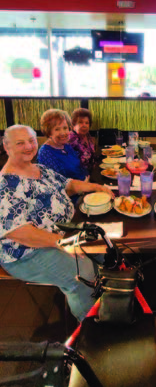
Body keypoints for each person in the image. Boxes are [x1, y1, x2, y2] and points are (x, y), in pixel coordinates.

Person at [0, 125, 114, 322]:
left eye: (31, 140)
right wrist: (63, 243)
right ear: (6, 146)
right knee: (83, 272)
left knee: (102, 248)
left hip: (62, 232)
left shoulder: (40, 169)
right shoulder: (5, 184)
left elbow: (68, 185)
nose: (28, 146)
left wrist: (96, 187)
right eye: (20, 143)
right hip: (26, 252)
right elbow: (18, 232)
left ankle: (106, 301)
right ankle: (91, 327)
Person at [37, 109, 88, 181]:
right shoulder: (45, 153)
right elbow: (56, 182)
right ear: (49, 132)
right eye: (57, 129)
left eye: (65, 128)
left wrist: (86, 178)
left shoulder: (66, 145)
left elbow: (79, 167)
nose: (63, 133)